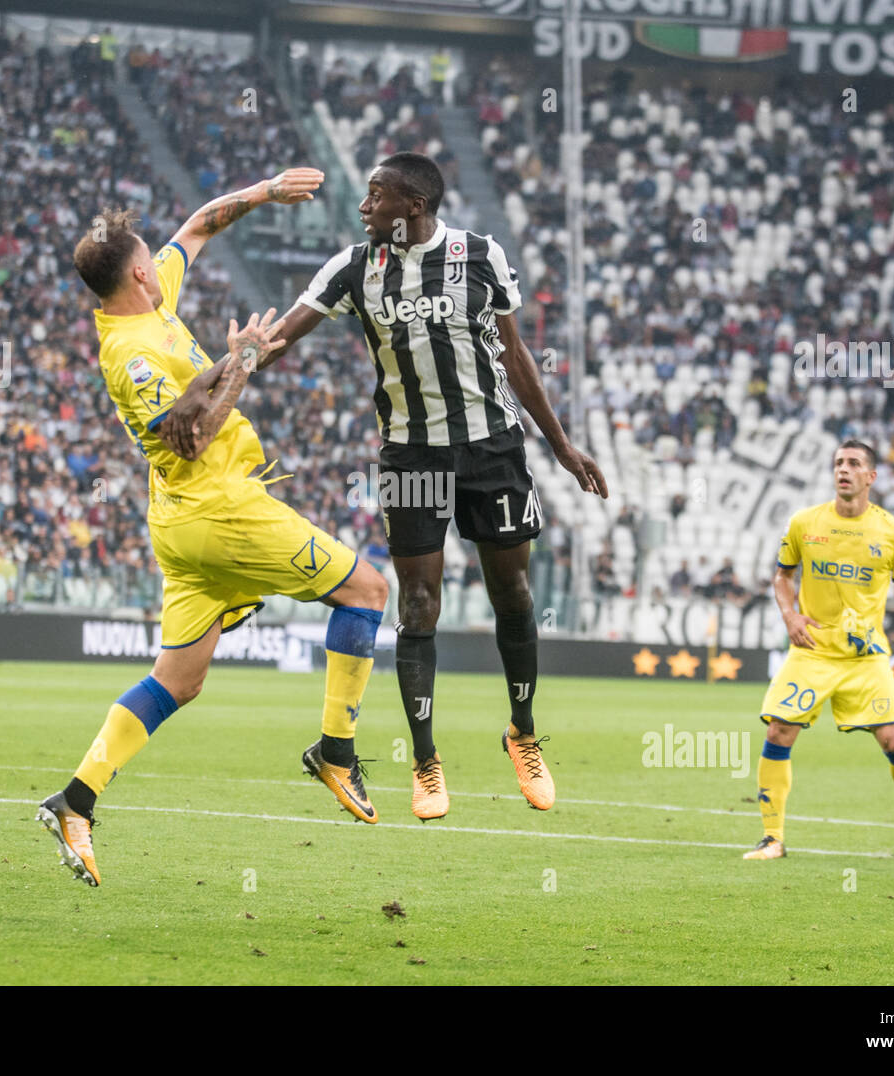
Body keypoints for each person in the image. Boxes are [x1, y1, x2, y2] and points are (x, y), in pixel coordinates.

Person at [37, 169, 390, 886]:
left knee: (180, 679)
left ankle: (74, 801)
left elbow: (196, 225)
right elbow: (188, 437)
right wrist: (246, 361)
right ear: (141, 273)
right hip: (220, 508)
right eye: (154, 256)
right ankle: (336, 751)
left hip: (179, 522)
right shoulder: (132, 357)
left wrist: (266, 191)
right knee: (367, 591)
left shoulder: (142, 294)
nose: (167, 258)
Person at [259, 152, 608, 820]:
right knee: (419, 603)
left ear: (412, 205)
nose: (364, 208)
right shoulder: (353, 267)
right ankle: (424, 759)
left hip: (492, 449)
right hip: (412, 456)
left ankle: (523, 733)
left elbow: (513, 353)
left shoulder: (480, 254)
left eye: (375, 196)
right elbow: (280, 339)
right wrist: (232, 368)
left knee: (513, 590)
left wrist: (560, 444)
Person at [744, 439, 894, 862]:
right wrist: (790, 616)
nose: (844, 469)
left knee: (893, 737)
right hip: (813, 648)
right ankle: (772, 837)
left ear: (871, 477)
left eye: (854, 463)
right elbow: (781, 577)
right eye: (838, 463)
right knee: (779, 729)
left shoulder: (892, 532)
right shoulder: (804, 522)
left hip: (866, 655)